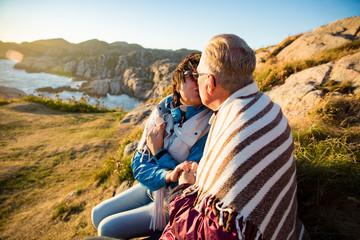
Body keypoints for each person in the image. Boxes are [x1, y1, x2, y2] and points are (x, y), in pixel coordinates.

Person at [159, 34, 309, 239]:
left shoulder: (236, 127)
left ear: (209, 82)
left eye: (198, 74)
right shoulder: (268, 108)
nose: (196, 79)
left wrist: (183, 189)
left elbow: (214, 234)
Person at [90, 53, 213, 239]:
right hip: (151, 187)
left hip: (172, 199)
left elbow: (190, 176)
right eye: (193, 77)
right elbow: (139, 163)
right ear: (178, 83)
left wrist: (159, 153)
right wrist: (166, 174)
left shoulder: (210, 122)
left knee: (107, 229)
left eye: (202, 77)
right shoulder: (162, 110)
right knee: (97, 214)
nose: (198, 83)